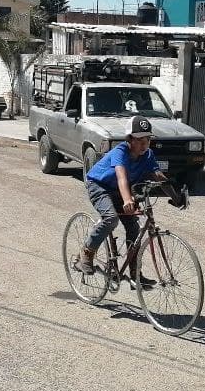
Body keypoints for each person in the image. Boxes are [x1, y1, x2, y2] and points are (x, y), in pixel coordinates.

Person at [75, 116, 181, 274]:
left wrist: (176, 196)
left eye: (147, 139)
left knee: (133, 227)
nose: (144, 143)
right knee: (111, 218)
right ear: (129, 139)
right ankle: (86, 253)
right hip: (99, 186)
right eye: (140, 140)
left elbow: (158, 176)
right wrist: (127, 199)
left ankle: (135, 274)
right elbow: (121, 177)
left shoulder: (148, 155)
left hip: (119, 190)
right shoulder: (121, 152)